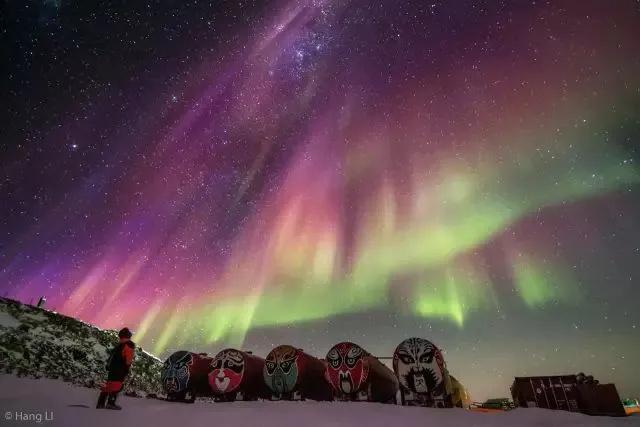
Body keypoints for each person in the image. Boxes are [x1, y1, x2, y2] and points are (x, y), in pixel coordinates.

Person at [96, 327, 135, 410]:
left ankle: (100, 403)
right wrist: (127, 368)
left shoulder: (119, 345)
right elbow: (128, 360)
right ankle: (111, 403)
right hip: (120, 368)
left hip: (112, 368)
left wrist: (108, 366)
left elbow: (111, 357)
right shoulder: (129, 345)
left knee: (108, 385)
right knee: (117, 386)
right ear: (128, 336)